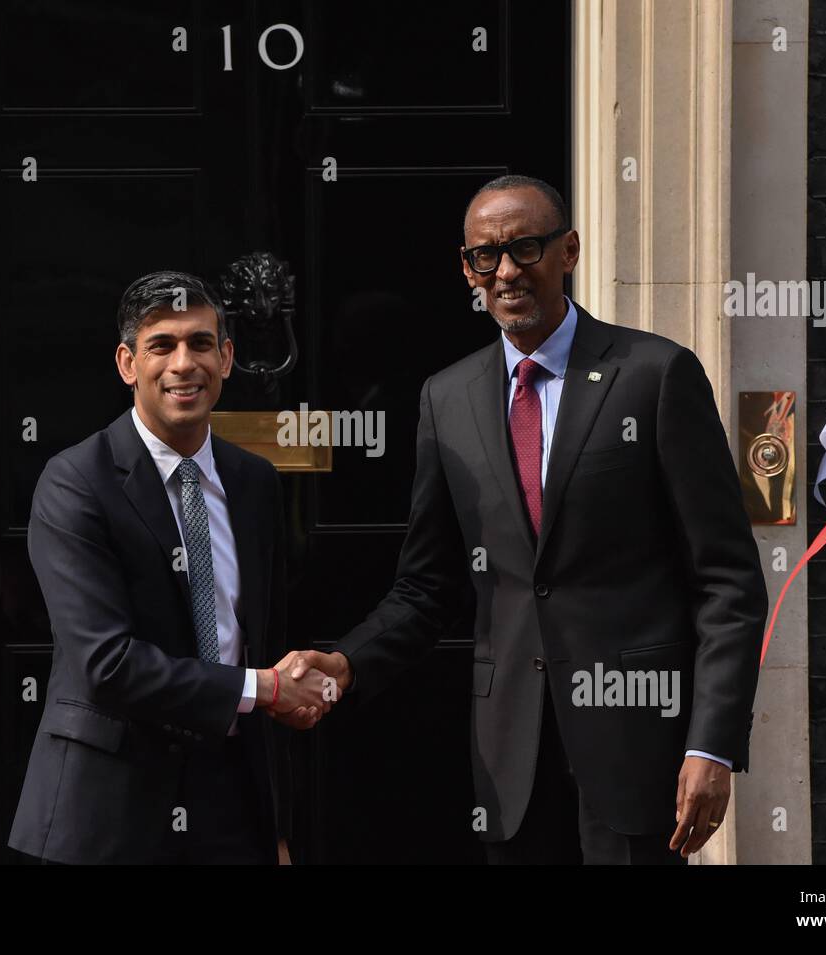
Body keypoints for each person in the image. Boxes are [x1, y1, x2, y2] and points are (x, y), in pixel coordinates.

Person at [286, 175, 769, 864]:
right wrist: (345, 662)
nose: (507, 270)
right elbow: (428, 587)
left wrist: (710, 743)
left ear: (568, 250)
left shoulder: (655, 375)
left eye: (526, 247)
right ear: (467, 269)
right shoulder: (446, 397)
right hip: (508, 758)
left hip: (637, 748)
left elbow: (727, 582)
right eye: (487, 256)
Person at [8, 271, 328, 864]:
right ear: (128, 363)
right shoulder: (76, 482)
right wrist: (265, 688)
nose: (185, 363)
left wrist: (277, 826)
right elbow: (107, 664)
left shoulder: (254, 481)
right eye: (163, 346)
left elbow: (263, 639)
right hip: (109, 812)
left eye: (201, 344)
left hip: (233, 808)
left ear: (227, 358)